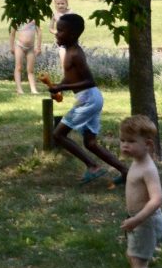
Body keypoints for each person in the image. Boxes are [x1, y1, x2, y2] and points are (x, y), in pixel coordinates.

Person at [42, 12, 128, 185]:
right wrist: (58, 87)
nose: (56, 34)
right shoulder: (68, 51)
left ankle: (92, 166)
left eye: (60, 31)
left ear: (72, 34)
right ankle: (125, 171)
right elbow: (71, 77)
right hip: (90, 98)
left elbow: (89, 81)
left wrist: (62, 87)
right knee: (90, 143)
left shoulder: (76, 54)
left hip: (88, 99)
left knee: (58, 134)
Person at [118, 115, 162, 268]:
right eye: (123, 141)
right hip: (139, 220)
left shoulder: (147, 169)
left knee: (139, 261)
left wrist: (136, 220)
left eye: (130, 142)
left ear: (147, 144)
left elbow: (156, 199)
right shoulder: (138, 161)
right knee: (133, 257)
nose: (125, 146)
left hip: (145, 222)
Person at [9, 18, 41, 96]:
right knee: (18, 67)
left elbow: (39, 33)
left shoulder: (34, 19)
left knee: (30, 70)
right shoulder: (17, 20)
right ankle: (19, 89)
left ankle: (33, 89)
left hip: (31, 48)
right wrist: (12, 47)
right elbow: (12, 34)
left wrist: (38, 47)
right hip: (19, 46)